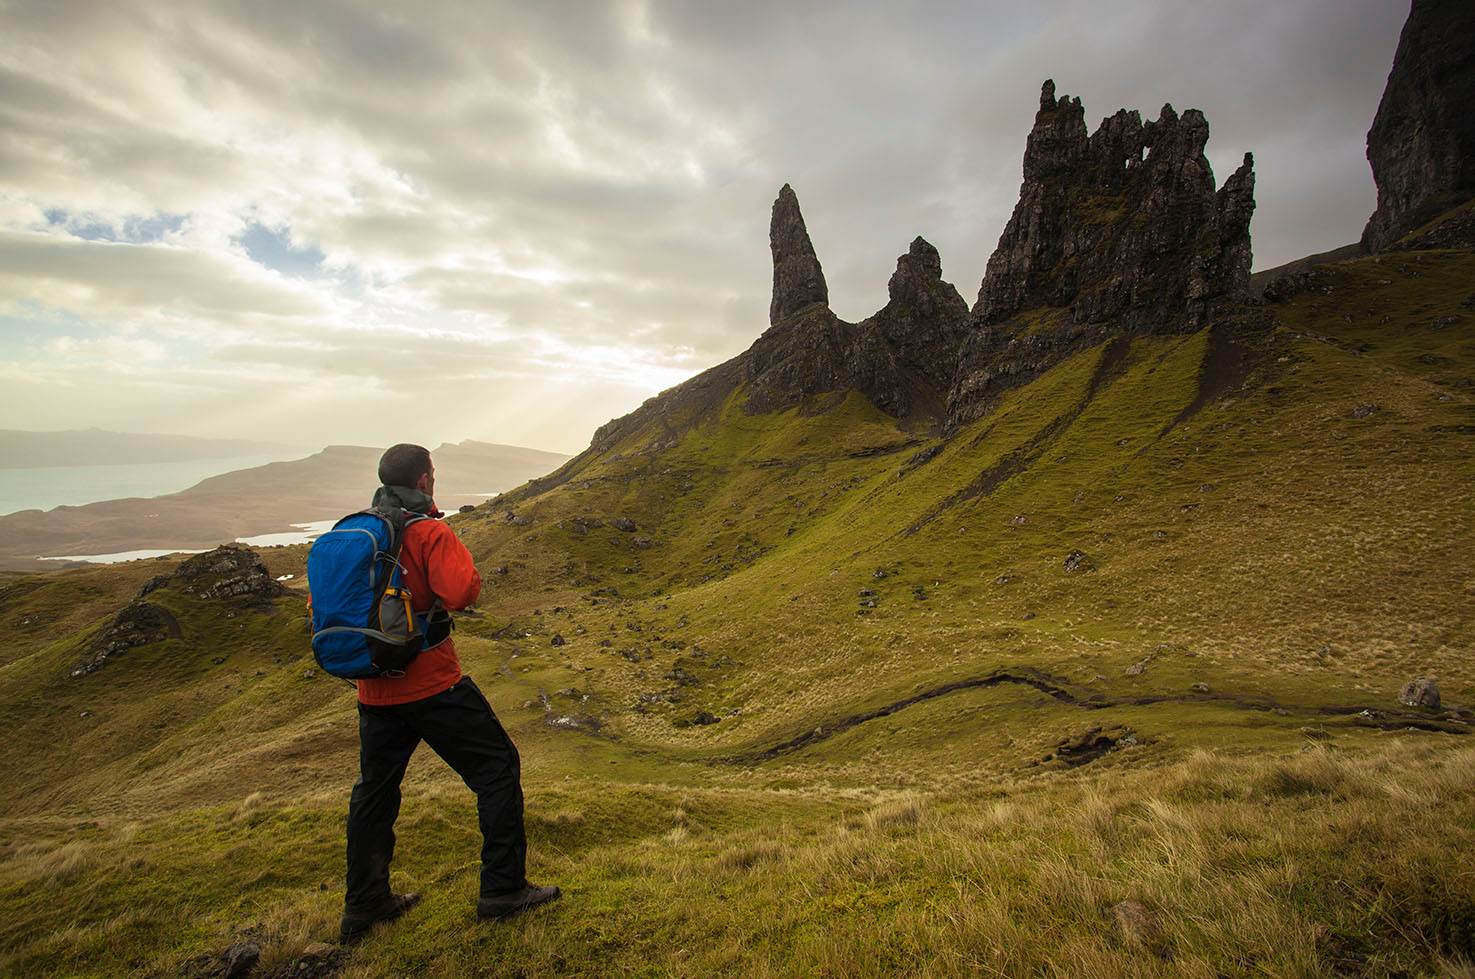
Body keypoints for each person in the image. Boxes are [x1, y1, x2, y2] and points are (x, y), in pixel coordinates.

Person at [339, 443, 560, 943]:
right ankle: (503, 891)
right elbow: (463, 593)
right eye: (432, 474)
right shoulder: (427, 531)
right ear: (423, 481)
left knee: (374, 792)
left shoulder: (354, 533)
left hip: (374, 691)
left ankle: (364, 906)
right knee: (497, 768)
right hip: (433, 683)